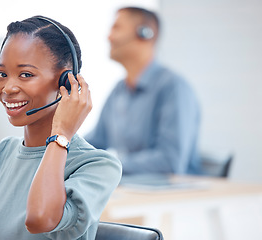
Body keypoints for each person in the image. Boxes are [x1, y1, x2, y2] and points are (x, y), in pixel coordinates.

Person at [0, 16, 122, 240]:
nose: (8, 87)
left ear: (66, 81)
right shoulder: (2, 154)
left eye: (26, 74)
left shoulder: (98, 166)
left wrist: (61, 135)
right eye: (2, 74)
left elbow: (41, 219)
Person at [85, 7, 201, 175]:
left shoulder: (173, 87)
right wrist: (59, 146)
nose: (108, 37)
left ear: (145, 33)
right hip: (136, 190)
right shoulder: (119, 90)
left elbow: (169, 161)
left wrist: (108, 165)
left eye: (116, 28)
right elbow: (96, 141)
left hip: (173, 196)